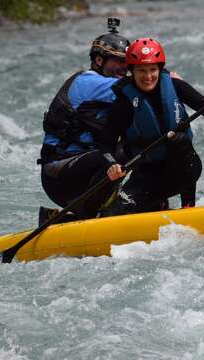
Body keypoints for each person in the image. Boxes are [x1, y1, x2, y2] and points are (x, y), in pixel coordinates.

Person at [100, 38, 204, 214]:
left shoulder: (174, 85)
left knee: (178, 139)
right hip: (148, 176)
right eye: (141, 70)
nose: (148, 76)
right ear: (132, 71)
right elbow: (105, 144)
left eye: (152, 70)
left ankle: (188, 207)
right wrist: (111, 165)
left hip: (184, 169)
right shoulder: (123, 103)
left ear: (159, 69)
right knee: (112, 214)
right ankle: (157, 205)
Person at [38, 18, 130, 221]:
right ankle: (90, 214)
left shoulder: (110, 85)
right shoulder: (89, 82)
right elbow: (137, 88)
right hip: (59, 173)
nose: (125, 67)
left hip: (85, 169)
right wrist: (165, 76)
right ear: (99, 60)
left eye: (127, 63)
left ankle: (138, 203)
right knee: (121, 153)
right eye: (119, 61)